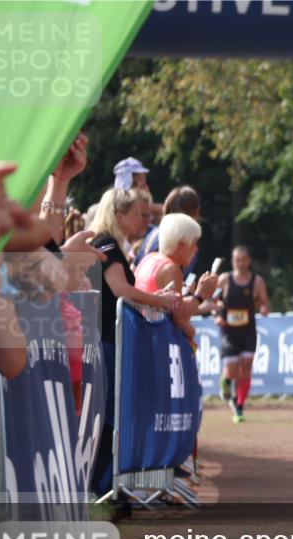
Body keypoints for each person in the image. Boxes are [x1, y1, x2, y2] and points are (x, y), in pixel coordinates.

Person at [88, 187, 180, 496]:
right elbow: (121, 291)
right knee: (110, 415)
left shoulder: (108, 244)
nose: (145, 220)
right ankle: (102, 485)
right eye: (139, 215)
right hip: (105, 341)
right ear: (119, 215)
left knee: (110, 414)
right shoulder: (107, 245)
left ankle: (105, 484)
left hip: (105, 340)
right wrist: (159, 299)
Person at [134, 212, 216, 341]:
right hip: (154, 341)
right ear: (181, 244)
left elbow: (173, 308)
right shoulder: (171, 268)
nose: (196, 249)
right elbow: (179, 319)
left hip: (140, 335)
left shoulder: (148, 258)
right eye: (194, 243)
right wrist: (200, 295)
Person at [215, 245, 269, 424]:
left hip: (248, 331)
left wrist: (263, 308)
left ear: (249, 261)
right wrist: (217, 315)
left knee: (245, 368)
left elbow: (264, 302)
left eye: (244, 260)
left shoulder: (257, 281)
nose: (241, 263)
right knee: (232, 369)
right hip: (229, 332)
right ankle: (225, 381)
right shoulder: (224, 279)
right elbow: (212, 299)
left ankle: (239, 406)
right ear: (233, 261)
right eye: (237, 260)